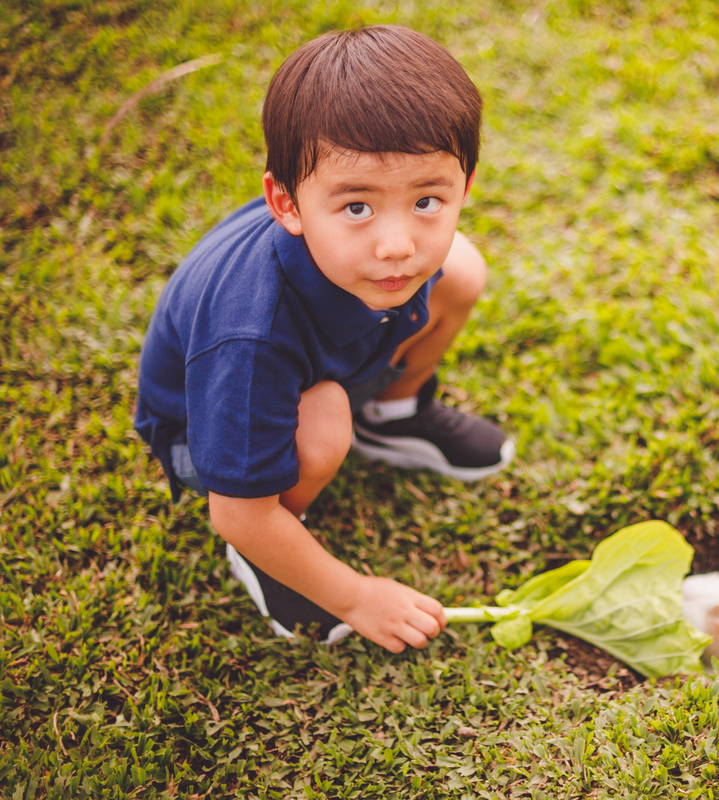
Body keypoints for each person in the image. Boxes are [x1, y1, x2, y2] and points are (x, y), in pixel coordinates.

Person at [134, 24, 514, 654]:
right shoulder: (248, 336)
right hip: (203, 430)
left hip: (323, 360)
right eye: (357, 207)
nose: (397, 243)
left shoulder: (380, 259)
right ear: (286, 204)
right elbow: (234, 512)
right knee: (324, 421)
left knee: (463, 270)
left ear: (465, 185)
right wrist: (355, 594)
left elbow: (420, 247)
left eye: (427, 200)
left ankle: (394, 414)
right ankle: (273, 550)